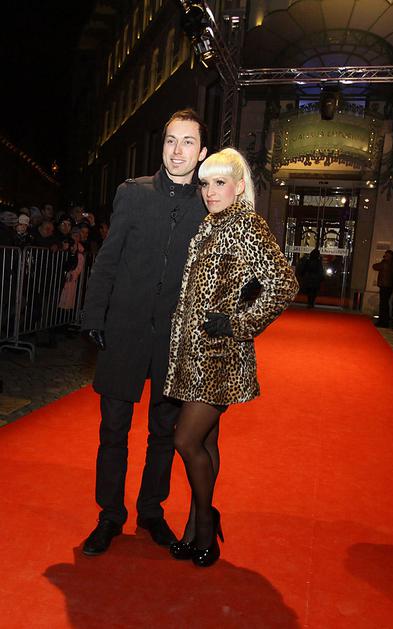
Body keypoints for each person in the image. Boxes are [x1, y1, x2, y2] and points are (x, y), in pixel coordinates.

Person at [80, 109, 208, 556]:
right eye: (171, 140)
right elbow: (109, 258)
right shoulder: (133, 193)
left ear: (202, 152)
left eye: (188, 142)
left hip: (174, 338)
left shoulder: (208, 203)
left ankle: (151, 511)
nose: (177, 151)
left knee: (164, 433)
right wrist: (94, 316)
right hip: (125, 329)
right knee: (113, 429)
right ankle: (109, 515)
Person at [164, 148, 298, 567]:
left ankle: (206, 523)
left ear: (239, 186)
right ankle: (195, 525)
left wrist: (240, 322)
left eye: (219, 182)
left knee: (185, 440)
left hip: (219, 356)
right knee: (205, 441)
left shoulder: (245, 224)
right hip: (193, 352)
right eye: (205, 183)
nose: (209, 191)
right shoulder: (210, 224)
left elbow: (284, 284)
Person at [372, 249, 393, 328]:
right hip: (389, 286)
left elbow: (375, 266)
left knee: (383, 304)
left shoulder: (385, 263)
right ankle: (385, 321)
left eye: (386, 255)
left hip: (384, 286)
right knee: (385, 304)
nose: (385, 256)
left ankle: (382, 321)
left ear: (389, 256)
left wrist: (383, 260)